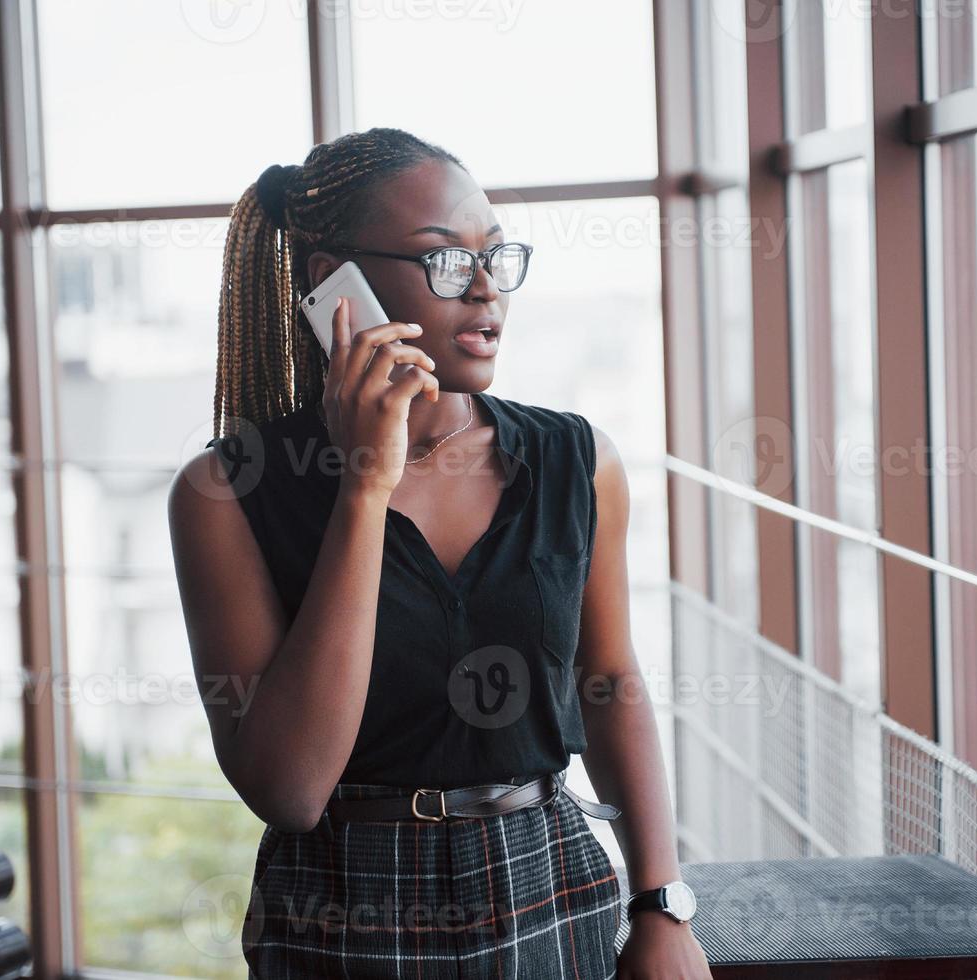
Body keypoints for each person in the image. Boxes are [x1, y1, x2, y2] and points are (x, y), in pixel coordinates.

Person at [168, 127, 712, 978]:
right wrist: (361, 489)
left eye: (496, 256)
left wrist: (660, 904)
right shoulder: (226, 492)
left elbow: (608, 682)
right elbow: (288, 788)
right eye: (445, 262)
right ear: (332, 285)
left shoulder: (578, 462)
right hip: (341, 905)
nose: (487, 289)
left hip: (547, 880)